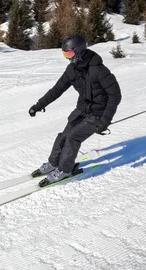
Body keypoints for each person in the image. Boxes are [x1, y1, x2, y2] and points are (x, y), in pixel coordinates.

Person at [28, 34, 122, 184]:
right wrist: (39, 105)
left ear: (79, 51)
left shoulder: (99, 70)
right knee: (64, 135)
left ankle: (65, 170)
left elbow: (115, 95)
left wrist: (105, 120)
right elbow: (57, 90)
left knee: (73, 137)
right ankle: (54, 163)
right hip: (82, 109)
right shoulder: (72, 69)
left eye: (69, 53)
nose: (67, 57)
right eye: (65, 54)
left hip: (99, 113)